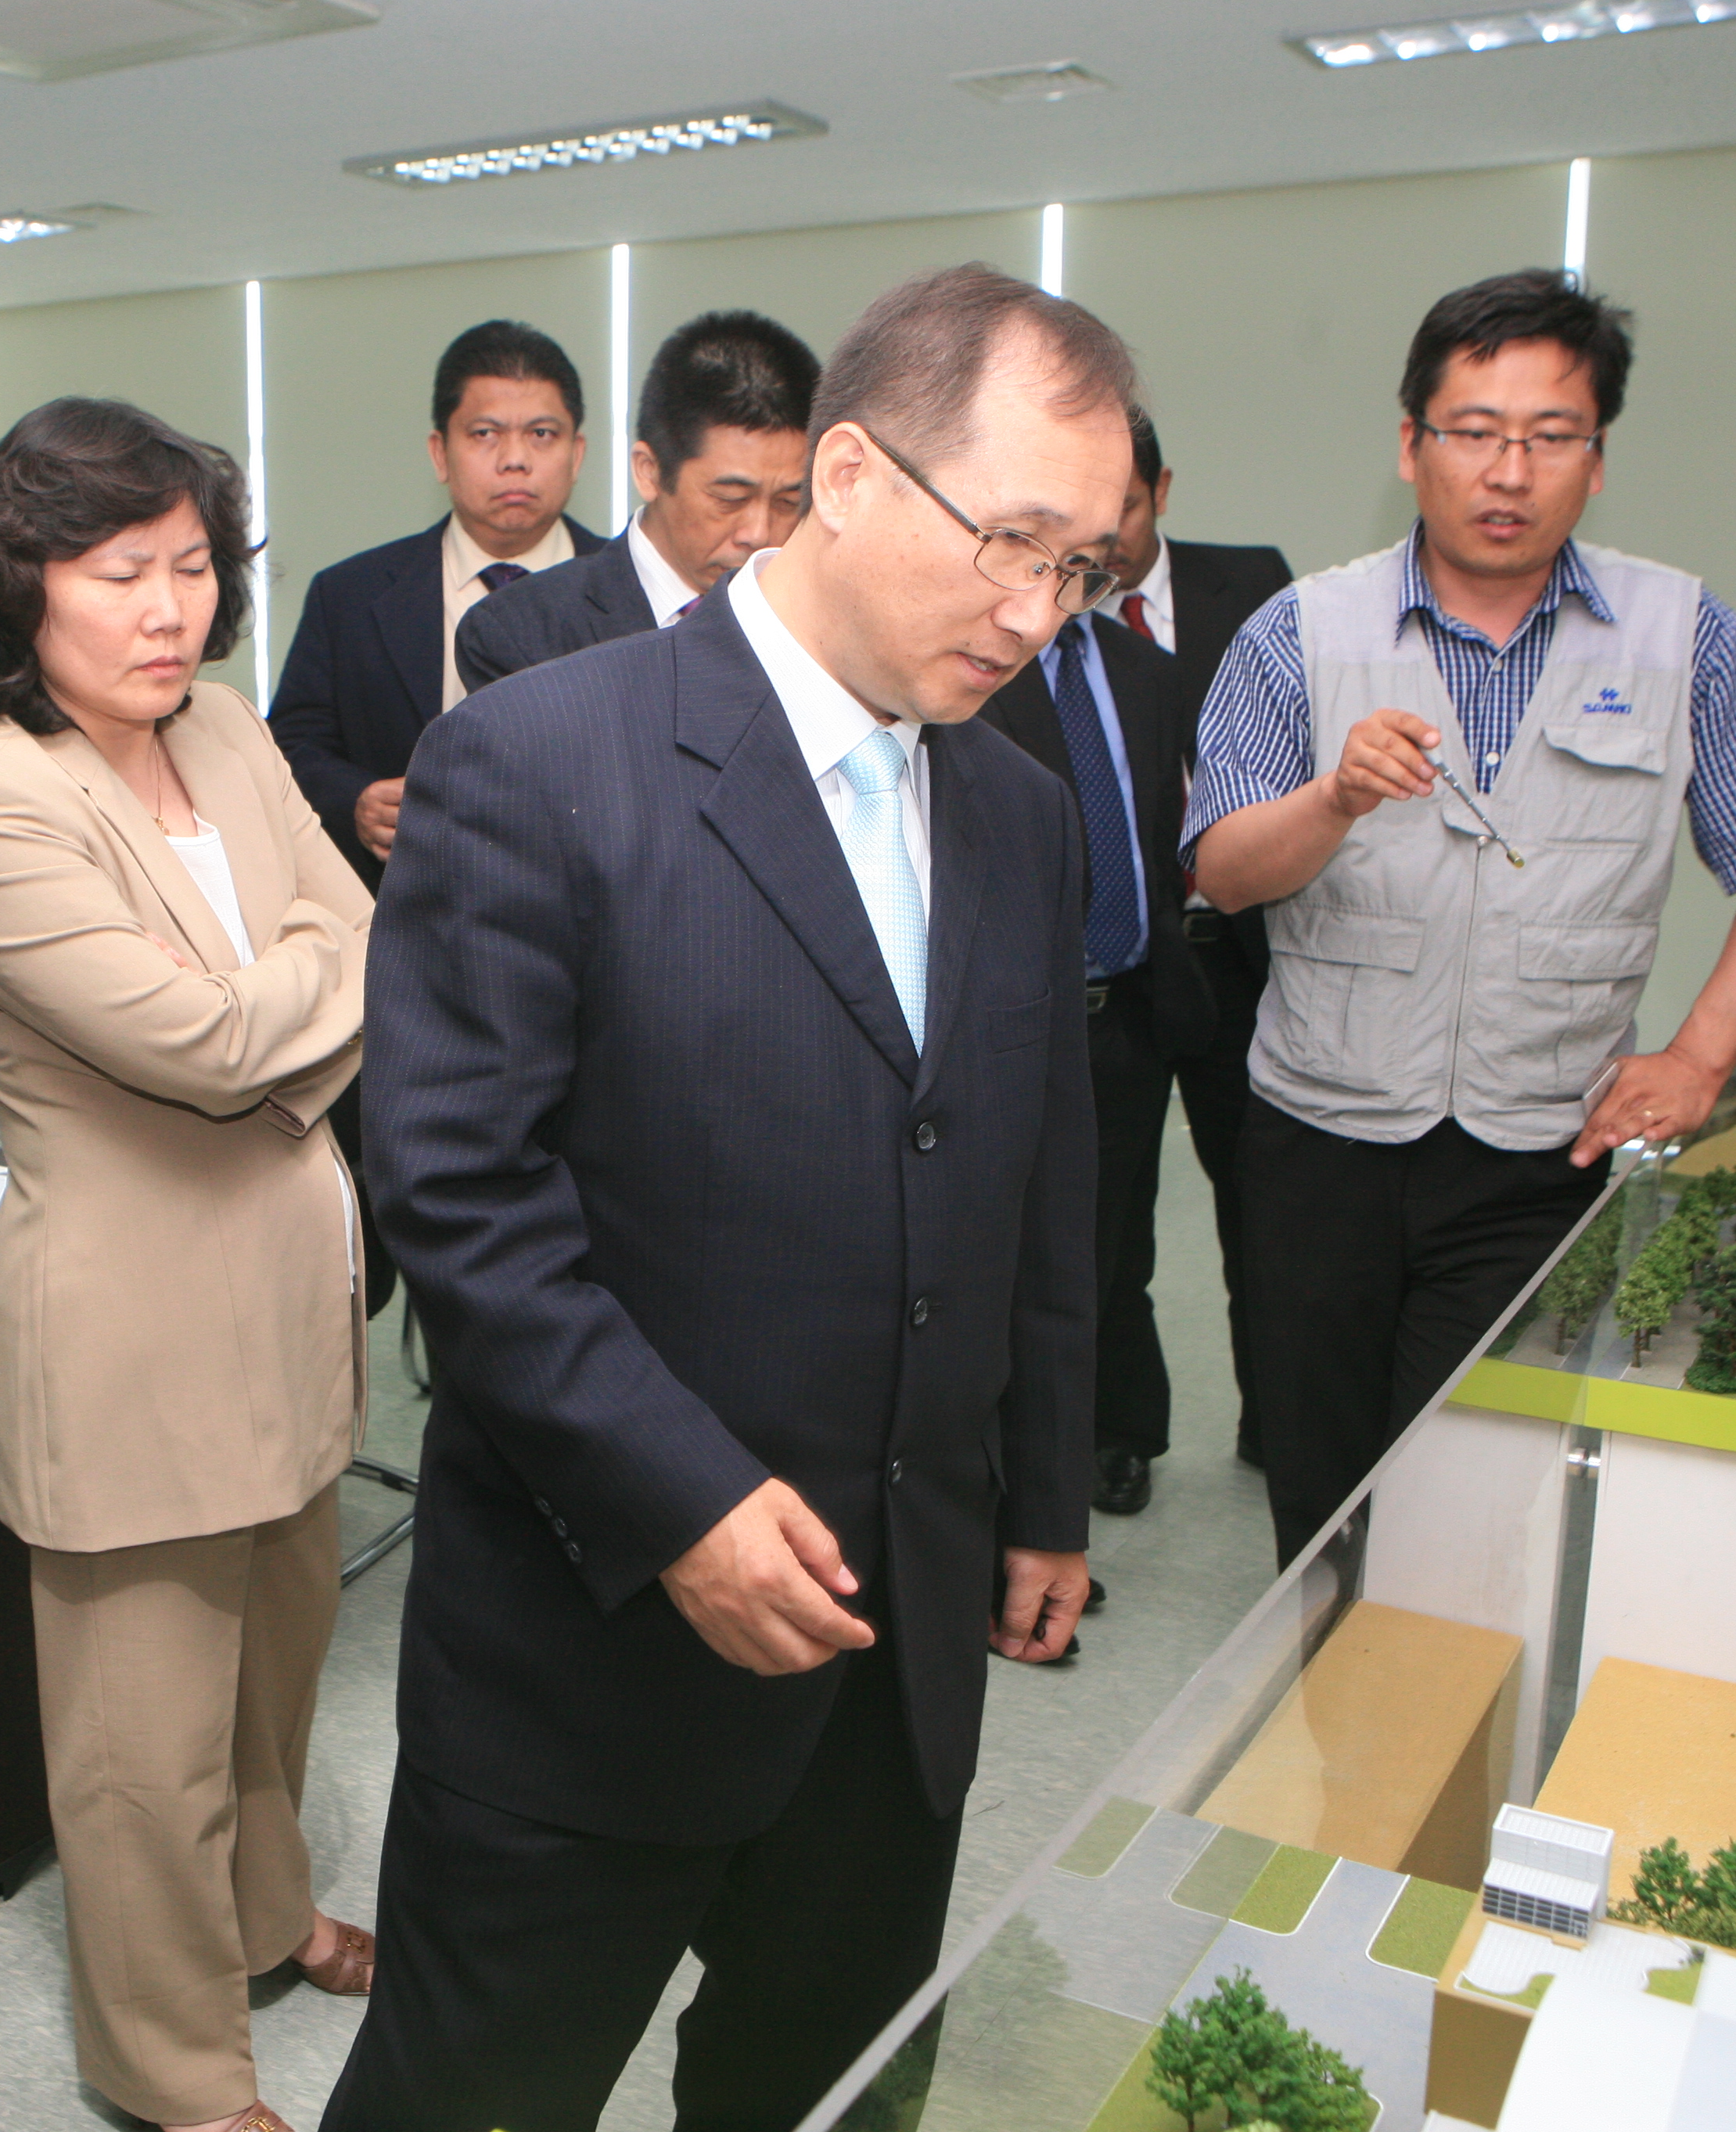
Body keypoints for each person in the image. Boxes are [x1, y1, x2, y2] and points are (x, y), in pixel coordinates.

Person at [325, 263, 1119, 2132]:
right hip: (594, 1660)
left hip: (897, 1650)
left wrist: (1040, 1490)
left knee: (824, 2094)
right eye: (1008, 540)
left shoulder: (1018, 808)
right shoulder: (537, 759)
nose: (1035, 613)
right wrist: (679, 1501)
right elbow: (459, 1196)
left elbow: (1039, 1175)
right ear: (847, 474)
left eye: (1078, 564)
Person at [1185, 268, 1736, 1567]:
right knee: (1323, 1505)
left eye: (1550, 437)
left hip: (1531, 1156)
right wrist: (1330, 798)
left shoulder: (1684, 639)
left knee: (1466, 1513)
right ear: (1410, 446)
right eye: (1475, 433)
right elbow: (1219, 872)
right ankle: (1332, 1749)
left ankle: (1437, 1743)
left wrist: (1695, 1059)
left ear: (1594, 461)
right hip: (1316, 1145)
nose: (1510, 471)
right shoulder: (1297, 634)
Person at [0, 398, 375, 2132]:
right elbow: (196, 1042)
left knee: (270, 1687)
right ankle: (173, 2071)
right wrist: (311, 993)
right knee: (142, 1753)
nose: (169, 606)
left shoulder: (237, 735)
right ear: (23, 590)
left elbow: (358, 925)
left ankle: (267, 1924)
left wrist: (297, 999)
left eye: (192, 565)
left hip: (288, 1312)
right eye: (122, 572)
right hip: (132, 1346)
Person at [973, 420, 1217, 1519]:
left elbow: (1163, 823)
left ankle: (1113, 1434)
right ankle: (1025, 1489)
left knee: (1114, 1244)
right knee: (1013, 1258)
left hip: (1126, 1009)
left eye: (1120, 505)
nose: (1102, 532)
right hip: (1010, 1015)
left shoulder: (1145, 667)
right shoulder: (980, 654)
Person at [1091, 408, 1295, 1474]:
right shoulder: (1042, 604)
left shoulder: (1254, 587)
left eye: (1123, 502)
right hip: (1121, 954)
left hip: (1237, 950)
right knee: (1111, 1211)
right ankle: (1122, 1430)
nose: (1105, 530)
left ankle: (1278, 1415)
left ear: (1162, 491)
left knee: (1261, 1198)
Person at [266, 318, 604, 879]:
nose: (515, 459)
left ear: (577, 453)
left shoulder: (632, 590)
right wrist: (356, 799)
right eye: (485, 434)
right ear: (439, 453)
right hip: (409, 906)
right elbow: (291, 748)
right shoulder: (349, 596)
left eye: (542, 434)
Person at [455, 308, 817, 691]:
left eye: (787, 502)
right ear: (649, 471)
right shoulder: (523, 634)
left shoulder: (824, 624)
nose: (758, 533)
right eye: (730, 499)